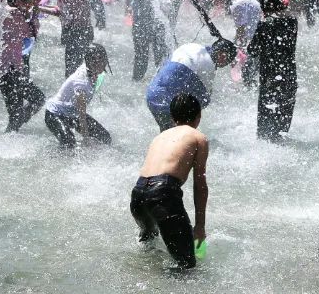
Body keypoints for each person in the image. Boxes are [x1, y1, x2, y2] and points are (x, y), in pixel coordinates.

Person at [131, 92, 209, 269]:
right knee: (186, 266)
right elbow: (200, 185)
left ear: (173, 118)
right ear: (199, 116)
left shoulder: (160, 136)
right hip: (163, 194)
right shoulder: (198, 137)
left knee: (148, 249)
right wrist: (200, 226)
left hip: (138, 194)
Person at [145, 39, 235, 130]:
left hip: (152, 92)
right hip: (164, 101)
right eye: (228, 61)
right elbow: (204, 101)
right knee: (180, 133)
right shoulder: (208, 66)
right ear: (222, 55)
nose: (225, 65)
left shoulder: (192, 46)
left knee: (167, 133)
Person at [249, 0, 299, 142]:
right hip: (289, 74)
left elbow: (252, 50)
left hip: (269, 77)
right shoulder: (292, 20)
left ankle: (264, 144)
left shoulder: (264, 24)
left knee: (265, 118)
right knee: (284, 115)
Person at [0, 0, 47, 132]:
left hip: (4, 71)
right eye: (25, 1)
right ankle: (15, 126)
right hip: (10, 72)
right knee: (39, 99)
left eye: (28, 2)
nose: (27, 5)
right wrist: (35, 8)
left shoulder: (4, 11)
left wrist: (33, 7)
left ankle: (11, 132)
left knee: (14, 116)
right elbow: (32, 32)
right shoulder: (14, 14)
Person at [44, 43, 113, 148]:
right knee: (69, 144)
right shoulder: (81, 83)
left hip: (72, 113)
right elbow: (82, 115)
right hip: (55, 114)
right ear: (88, 61)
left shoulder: (91, 70)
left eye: (100, 58)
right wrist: (86, 139)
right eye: (93, 60)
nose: (98, 63)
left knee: (105, 138)